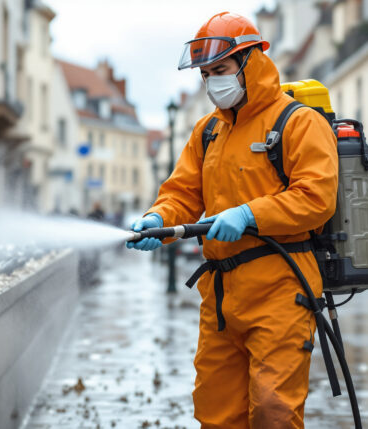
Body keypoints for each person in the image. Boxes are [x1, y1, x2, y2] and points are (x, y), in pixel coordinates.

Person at [127, 12, 338, 428]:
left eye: (220, 70)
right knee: (216, 414)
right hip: (221, 299)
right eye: (206, 74)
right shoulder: (207, 132)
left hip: (282, 291)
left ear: (251, 60)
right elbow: (182, 193)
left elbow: (317, 197)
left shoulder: (297, 122)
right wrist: (157, 217)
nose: (212, 82)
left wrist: (249, 215)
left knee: (274, 412)